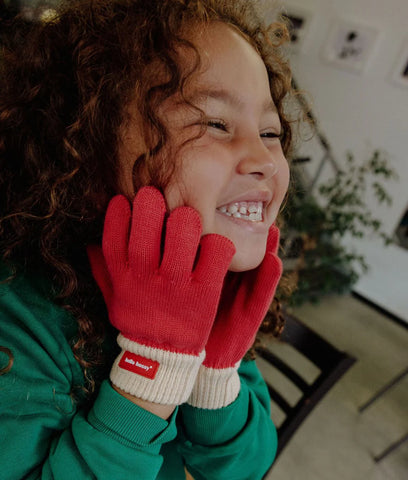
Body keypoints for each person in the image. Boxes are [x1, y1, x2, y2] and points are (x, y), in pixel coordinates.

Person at [0, 0, 294, 478]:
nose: (264, 159)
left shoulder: (201, 285)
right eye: (215, 123)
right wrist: (150, 371)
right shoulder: (19, 320)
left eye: (270, 131)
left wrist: (215, 378)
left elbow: (247, 467)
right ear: (85, 151)